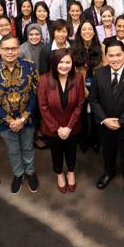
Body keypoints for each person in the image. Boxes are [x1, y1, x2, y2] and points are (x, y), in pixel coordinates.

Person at [0, 35, 40, 194]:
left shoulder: (30, 66)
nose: (10, 52)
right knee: (13, 150)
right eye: (6, 48)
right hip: (4, 122)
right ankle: (18, 174)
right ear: (0, 50)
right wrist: (10, 121)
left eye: (13, 48)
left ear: (18, 49)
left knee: (28, 148)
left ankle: (30, 172)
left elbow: (36, 94)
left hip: (27, 119)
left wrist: (23, 118)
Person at [89, 40, 124, 199]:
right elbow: (93, 100)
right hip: (105, 126)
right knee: (108, 152)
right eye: (111, 55)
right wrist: (105, 120)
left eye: (118, 55)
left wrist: (120, 122)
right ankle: (109, 173)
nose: (115, 59)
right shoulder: (99, 74)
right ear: (106, 56)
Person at [38, 49, 86, 193]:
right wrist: (58, 128)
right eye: (61, 62)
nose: (64, 65)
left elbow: (80, 104)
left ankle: (71, 172)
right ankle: (59, 174)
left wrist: (69, 127)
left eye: (68, 62)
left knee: (71, 151)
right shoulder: (45, 79)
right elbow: (43, 106)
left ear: (72, 63)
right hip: (52, 128)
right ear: (54, 63)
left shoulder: (78, 78)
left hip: (73, 126)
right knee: (56, 153)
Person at [71, 20, 104, 152]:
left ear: (94, 32)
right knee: (81, 115)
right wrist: (82, 87)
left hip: (97, 86)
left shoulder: (101, 47)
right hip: (80, 86)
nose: (87, 32)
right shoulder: (73, 48)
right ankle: (83, 140)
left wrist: (94, 89)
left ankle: (96, 140)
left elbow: (105, 68)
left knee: (97, 115)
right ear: (79, 32)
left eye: (90, 29)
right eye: (84, 29)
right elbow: (72, 71)